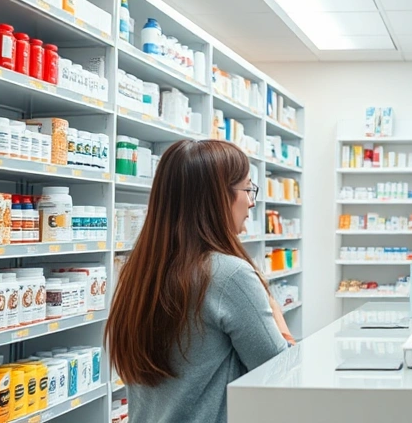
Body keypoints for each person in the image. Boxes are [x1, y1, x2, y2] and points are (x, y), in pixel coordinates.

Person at [106, 139, 294, 423]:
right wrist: (273, 309)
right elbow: (279, 372)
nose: (252, 201)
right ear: (217, 197)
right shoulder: (229, 274)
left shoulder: (140, 271)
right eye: (247, 189)